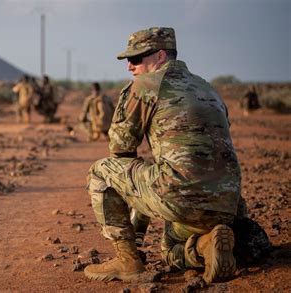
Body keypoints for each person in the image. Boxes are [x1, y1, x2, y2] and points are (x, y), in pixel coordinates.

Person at [84, 27, 242, 284]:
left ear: (159, 57)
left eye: (136, 59)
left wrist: (137, 226)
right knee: (170, 249)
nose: (130, 67)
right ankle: (205, 246)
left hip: (179, 195)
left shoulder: (146, 85)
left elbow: (120, 150)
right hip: (227, 202)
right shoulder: (208, 87)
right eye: (128, 61)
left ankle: (128, 260)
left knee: (102, 172)